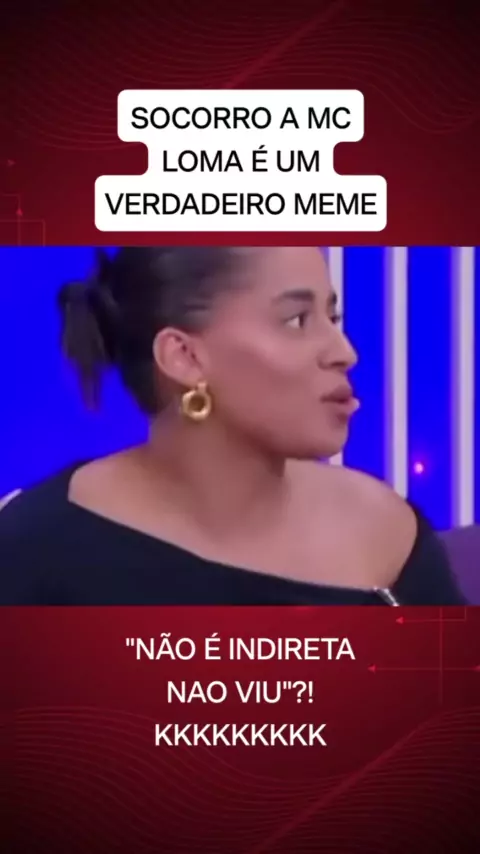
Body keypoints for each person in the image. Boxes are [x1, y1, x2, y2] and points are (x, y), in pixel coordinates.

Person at [0, 246, 466, 605]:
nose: (345, 352)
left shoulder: (388, 537)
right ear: (184, 357)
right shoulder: (34, 551)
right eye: (297, 320)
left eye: (332, 316)